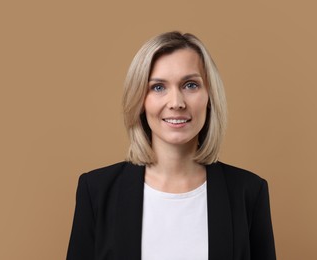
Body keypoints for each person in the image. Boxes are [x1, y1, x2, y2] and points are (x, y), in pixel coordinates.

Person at [67, 31, 276, 260]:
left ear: (210, 97)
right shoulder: (97, 191)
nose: (176, 103)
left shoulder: (248, 192)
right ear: (140, 100)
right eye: (158, 87)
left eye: (190, 85)